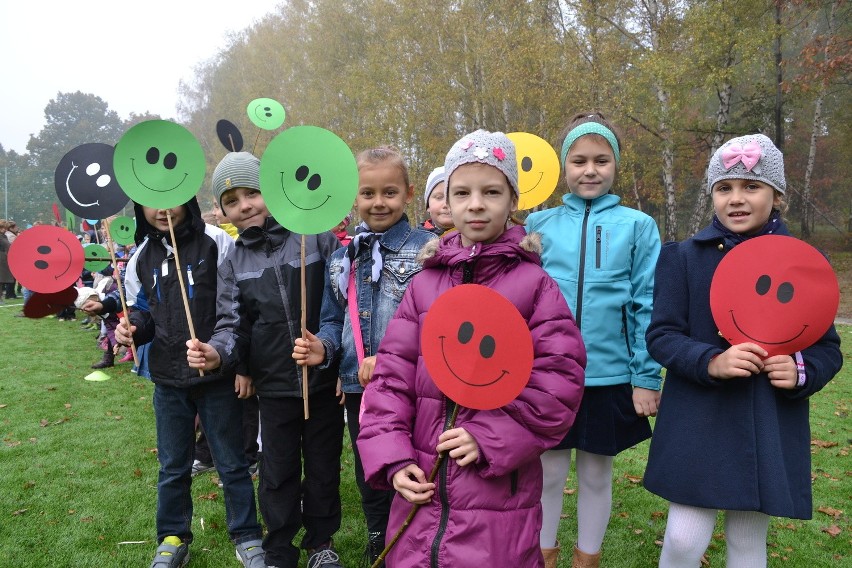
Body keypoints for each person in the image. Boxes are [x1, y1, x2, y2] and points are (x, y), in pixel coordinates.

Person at [355, 129, 586, 567]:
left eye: (491, 191)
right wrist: (393, 457)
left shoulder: (534, 286)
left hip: (497, 498)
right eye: (461, 192)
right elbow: (391, 378)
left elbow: (559, 383)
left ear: (513, 200)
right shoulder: (424, 287)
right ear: (446, 199)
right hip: (421, 486)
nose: (475, 203)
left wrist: (489, 437)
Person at [643, 133, 843, 567]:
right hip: (700, 419)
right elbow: (661, 335)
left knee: (748, 543)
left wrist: (800, 370)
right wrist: (710, 361)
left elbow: (828, 347)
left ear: (777, 196)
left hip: (765, 421)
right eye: (724, 187)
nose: (736, 199)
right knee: (682, 539)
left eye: (751, 186)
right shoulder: (681, 258)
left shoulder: (804, 264)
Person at [186, 151, 344, 568]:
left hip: (323, 383)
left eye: (252, 192)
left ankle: (321, 543)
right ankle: (279, 548)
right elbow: (231, 325)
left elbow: (339, 311)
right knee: (277, 473)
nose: (245, 205)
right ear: (224, 212)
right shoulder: (232, 262)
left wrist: (328, 352)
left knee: (324, 467)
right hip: (274, 388)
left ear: (272, 190)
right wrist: (219, 354)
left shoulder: (317, 238)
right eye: (232, 200)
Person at [524, 112, 663, 568]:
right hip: (547, 373)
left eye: (601, 160)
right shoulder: (538, 224)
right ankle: (544, 555)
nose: (590, 170)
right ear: (563, 166)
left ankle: (588, 559)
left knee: (596, 473)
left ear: (616, 165)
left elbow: (647, 301)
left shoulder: (638, 225)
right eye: (579, 160)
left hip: (609, 375)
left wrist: (646, 376)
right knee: (547, 472)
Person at [292, 146, 437, 565]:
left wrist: (392, 361)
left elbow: (437, 321)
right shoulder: (342, 259)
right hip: (360, 388)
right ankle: (381, 535)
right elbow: (333, 321)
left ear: (408, 193)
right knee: (372, 466)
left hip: (416, 385)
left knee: (417, 460)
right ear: (353, 197)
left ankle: (419, 533)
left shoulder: (429, 250)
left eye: (389, 192)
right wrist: (324, 348)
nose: (378, 202)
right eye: (368, 193)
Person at [112, 195, 267, 568]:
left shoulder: (218, 241)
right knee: (172, 466)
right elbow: (144, 311)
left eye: (171, 201)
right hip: (168, 382)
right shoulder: (141, 257)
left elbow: (239, 309)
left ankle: (247, 535)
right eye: (151, 203)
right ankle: (172, 536)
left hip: (217, 378)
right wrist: (132, 327)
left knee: (232, 463)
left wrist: (238, 364)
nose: (162, 210)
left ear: (189, 202)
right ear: (139, 209)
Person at [420, 166, 454, 236]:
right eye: (439, 197)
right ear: (428, 205)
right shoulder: (415, 240)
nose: (446, 204)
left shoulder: (476, 238)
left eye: (453, 197)